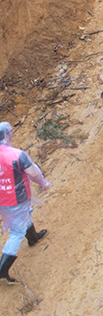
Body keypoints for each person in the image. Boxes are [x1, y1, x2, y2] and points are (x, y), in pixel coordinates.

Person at [0, 122, 50, 284]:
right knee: (16, 232)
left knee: (24, 216)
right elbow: (33, 172)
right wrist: (43, 183)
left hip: (2, 199)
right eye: (11, 132)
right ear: (7, 135)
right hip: (17, 197)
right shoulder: (17, 155)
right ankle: (2, 270)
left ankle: (33, 237)